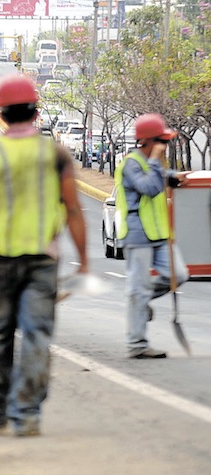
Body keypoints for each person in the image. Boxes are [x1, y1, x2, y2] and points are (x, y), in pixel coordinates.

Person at [0, 74, 88, 437]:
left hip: (0, 257)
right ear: (35, 110)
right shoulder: (55, 153)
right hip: (43, 259)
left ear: (1, 112)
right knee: (36, 335)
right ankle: (26, 413)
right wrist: (84, 260)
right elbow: (74, 209)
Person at [115, 113, 190, 359]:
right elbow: (148, 187)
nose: (165, 146)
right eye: (161, 141)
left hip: (159, 234)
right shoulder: (131, 163)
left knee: (178, 275)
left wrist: (175, 177)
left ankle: (141, 301)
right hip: (137, 235)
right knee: (137, 289)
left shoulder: (155, 162)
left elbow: (162, 178)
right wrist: (159, 164)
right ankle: (137, 344)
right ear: (147, 141)